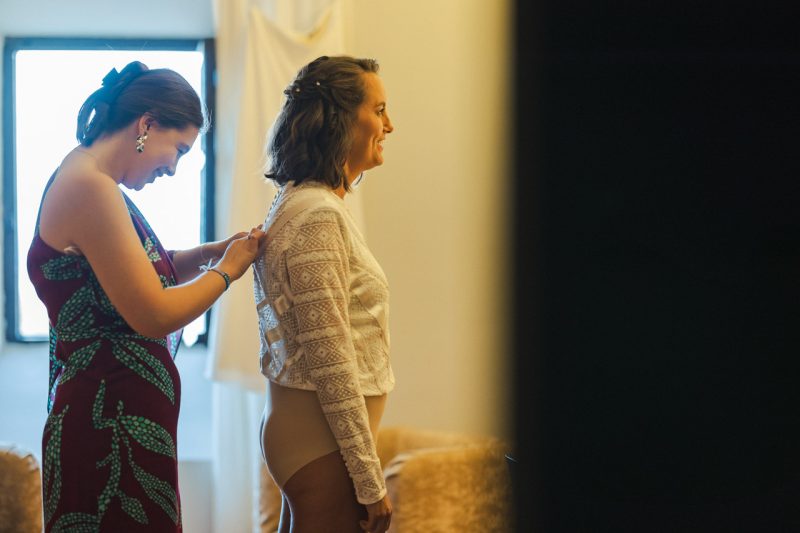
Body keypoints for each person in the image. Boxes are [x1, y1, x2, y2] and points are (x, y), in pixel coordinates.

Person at [26, 60, 266, 532]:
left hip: (118, 420)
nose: (173, 168)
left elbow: (140, 272)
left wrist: (211, 252)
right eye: (178, 149)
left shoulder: (90, 178)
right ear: (147, 125)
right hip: (107, 426)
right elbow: (153, 313)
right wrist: (228, 271)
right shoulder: (89, 187)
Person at [253, 55, 395, 533]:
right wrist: (370, 481)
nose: (389, 126)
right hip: (320, 443)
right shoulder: (317, 215)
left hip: (311, 436)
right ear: (340, 119)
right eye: (379, 110)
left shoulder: (299, 201)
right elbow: (330, 358)